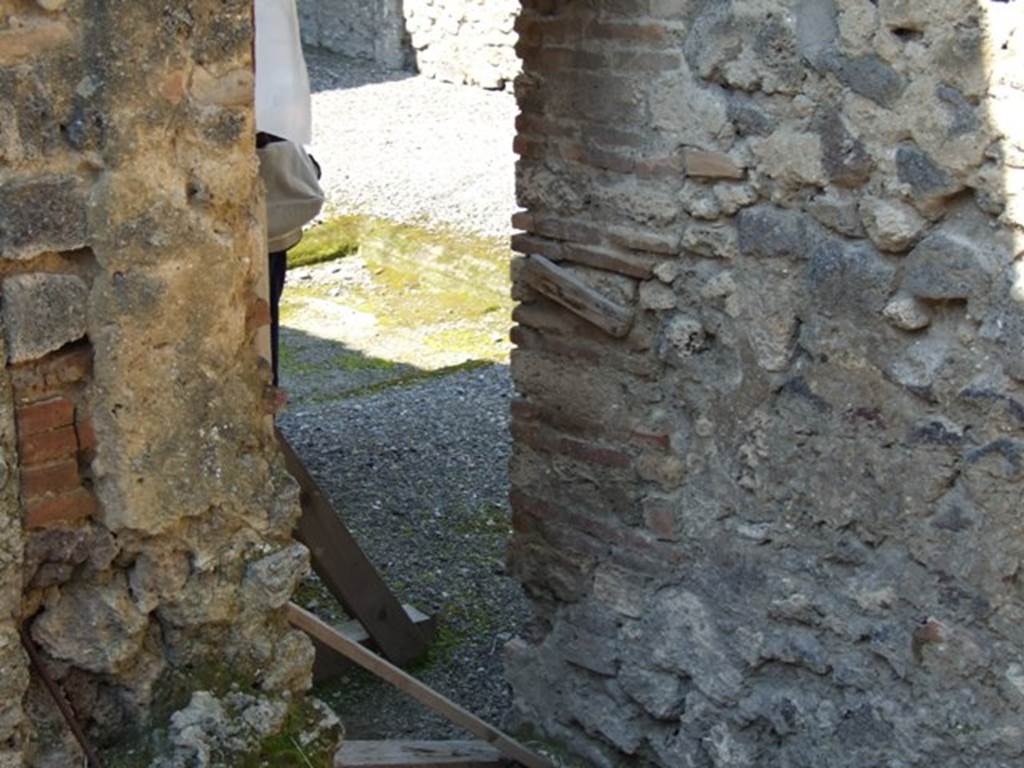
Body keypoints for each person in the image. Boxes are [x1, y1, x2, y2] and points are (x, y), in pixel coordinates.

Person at [254, 0, 322, 387]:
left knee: (264, 320)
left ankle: (265, 405)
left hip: (269, 224)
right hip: (271, 226)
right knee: (266, 319)